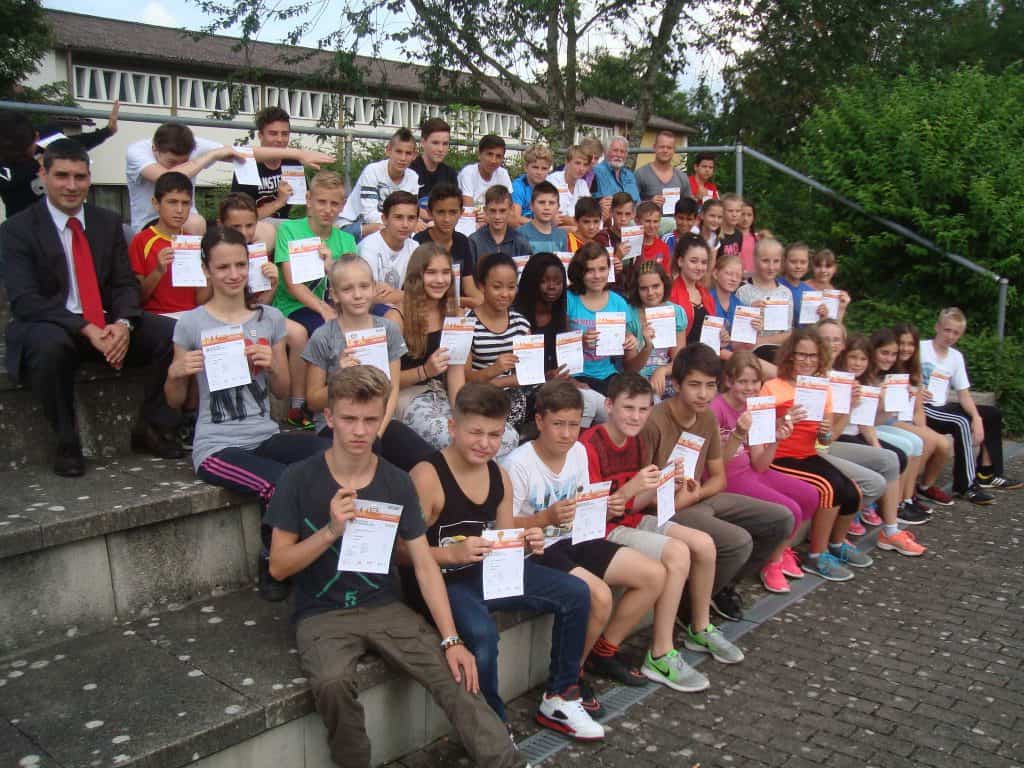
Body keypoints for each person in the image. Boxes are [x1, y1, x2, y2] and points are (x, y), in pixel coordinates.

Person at [265, 366, 527, 768]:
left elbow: (423, 566)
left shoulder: (396, 481)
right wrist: (332, 530)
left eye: (371, 420)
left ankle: (505, 761)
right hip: (322, 611)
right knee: (333, 684)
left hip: (386, 605)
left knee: (456, 671)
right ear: (330, 417)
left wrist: (452, 640)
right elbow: (279, 568)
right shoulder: (299, 478)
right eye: (350, 419)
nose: (359, 431)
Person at [410, 382, 603, 741]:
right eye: (475, 432)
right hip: (443, 580)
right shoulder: (427, 476)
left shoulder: (498, 475)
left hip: (488, 572)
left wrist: (526, 542)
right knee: (482, 636)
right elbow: (401, 553)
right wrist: (449, 554)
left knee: (577, 593)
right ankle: (493, 728)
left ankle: (560, 695)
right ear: (453, 428)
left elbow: (504, 539)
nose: (485, 443)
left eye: (495, 434)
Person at [165, 225, 329, 600]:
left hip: (264, 433)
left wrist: (272, 364)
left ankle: (321, 551)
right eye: (223, 267)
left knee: (326, 456)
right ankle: (274, 561)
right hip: (218, 445)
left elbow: (283, 391)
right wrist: (176, 374)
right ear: (207, 270)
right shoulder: (192, 323)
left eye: (240, 264)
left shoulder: (269, 319)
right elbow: (175, 401)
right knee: (279, 481)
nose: (234, 274)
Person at [2, 139, 182, 477]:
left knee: (171, 333)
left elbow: (125, 284)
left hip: (106, 323)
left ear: (89, 177)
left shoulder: (107, 222)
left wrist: (123, 325)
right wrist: (85, 327)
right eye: (62, 176)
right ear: (44, 174)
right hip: (56, 325)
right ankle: (67, 441)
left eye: (80, 177)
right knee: (48, 345)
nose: (72, 186)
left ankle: (154, 426)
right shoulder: (17, 229)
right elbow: (26, 300)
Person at [504, 381, 665, 708]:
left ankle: (601, 653)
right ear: (539, 422)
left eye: (574, 425)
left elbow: (586, 505)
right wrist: (543, 518)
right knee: (599, 595)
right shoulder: (518, 464)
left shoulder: (578, 452)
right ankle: (569, 677)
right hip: (535, 549)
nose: (566, 434)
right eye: (558, 425)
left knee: (653, 575)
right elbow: (502, 528)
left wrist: (610, 505)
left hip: (574, 537)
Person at [582, 373, 741, 678]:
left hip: (632, 518)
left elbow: (640, 502)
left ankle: (699, 627)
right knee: (678, 553)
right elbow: (592, 515)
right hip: (604, 529)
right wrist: (632, 489)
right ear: (609, 405)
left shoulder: (639, 441)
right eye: (629, 408)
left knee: (704, 544)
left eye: (644, 410)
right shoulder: (589, 445)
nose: (637, 416)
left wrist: (669, 482)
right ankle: (661, 651)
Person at [640, 343, 792, 620]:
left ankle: (719, 588)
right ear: (676, 384)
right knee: (738, 541)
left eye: (710, 386)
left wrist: (695, 494)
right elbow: (640, 491)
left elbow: (719, 477)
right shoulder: (655, 422)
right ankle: (689, 611)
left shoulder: (707, 416)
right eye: (695, 385)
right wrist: (677, 499)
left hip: (697, 496)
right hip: (663, 507)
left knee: (781, 518)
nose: (703, 394)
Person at [760, 328, 873, 582]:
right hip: (779, 456)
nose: (807, 361)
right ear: (790, 356)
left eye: (812, 356)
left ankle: (837, 544)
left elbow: (826, 440)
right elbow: (758, 432)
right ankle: (815, 555)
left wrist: (825, 431)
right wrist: (785, 419)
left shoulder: (822, 389)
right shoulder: (772, 387)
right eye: (801, 355)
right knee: (829, 487)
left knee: (853, 489)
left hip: (807, 454)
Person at [711, 352, 820, 592]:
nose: (749, 388)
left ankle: (782, 552)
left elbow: (760, 464)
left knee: (810, 495)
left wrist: (776, 439)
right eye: (743, 381)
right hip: (725, 478)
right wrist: (738, 433)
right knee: (789, 509)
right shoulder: (716, 408)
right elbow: (714, 465)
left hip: (749, 471)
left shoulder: (758, 406)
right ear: (729, 381)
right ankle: (772, 563)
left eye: (754, 382)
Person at [273, 171, 357, 428]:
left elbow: (350, 282)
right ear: (308, 199)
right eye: (321, 202)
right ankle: (301, 404)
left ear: (342, 206)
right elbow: (291, 284)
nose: (327, 209)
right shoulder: (289, 229)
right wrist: (322, 308)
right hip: (293, 305)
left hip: (333, 305)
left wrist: (331, 266)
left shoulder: (346, 239)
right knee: (322, 330)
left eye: (334, 204)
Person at [920, 307, 1021, 501]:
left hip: (942, 406)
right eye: (947, 330)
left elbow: (963, 394)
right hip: (924, 407)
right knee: (960, 422)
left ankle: (987, 473)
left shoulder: (955, 357)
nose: (950, 336)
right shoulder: (921, 349)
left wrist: (977, 418)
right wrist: (913, 387)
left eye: (956, 333)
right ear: (937, 327)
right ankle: (966, 486)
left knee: (991, 414)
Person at [447, 253, 534, 456]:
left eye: (511, 287)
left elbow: (529, 373)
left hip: (515, 392)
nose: (505, 294)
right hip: (480, 395)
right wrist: (495, 370)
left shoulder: (521, 323)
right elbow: (466, 378)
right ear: (481, 286)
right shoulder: (468, 324)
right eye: (497, 287)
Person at [512, 252, 606, 428]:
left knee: (609, 409)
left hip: (557, 384)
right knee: (588, 402)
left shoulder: (560, 315)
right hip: (527, 391)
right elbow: (522, 373)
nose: (552, 287)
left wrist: (569, 379)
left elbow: (564, 363)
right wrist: (548, 377)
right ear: (532, 281)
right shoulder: (518, 319)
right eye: (545, 281)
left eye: (558, 282)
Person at [386, 243, 461, 447]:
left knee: (503, 436)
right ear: (417, 276)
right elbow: (383, 381)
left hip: (441, 394)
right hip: (404, 397)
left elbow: (456, 373)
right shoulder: (396, 318)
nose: (439, 280)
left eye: (445, 272)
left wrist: (460, 414)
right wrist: (424, 371)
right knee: (450, 438)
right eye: (431, 273)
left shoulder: (455, 313)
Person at [229, 105, 336, 242]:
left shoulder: (292, 162)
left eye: (284, 134)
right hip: (257, 226)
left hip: (286, 224)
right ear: (260, 135)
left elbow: (307, 204)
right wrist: (278, 202)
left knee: (333, 227)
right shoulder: (247, 164)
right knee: (271, 231)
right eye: (273, 133)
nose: (280, 139)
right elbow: (239, 218)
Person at [1, 103, 119, 217]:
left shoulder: (40, 151)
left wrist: (107, 131)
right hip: (21, 228)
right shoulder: (9, 172)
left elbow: (73, 143)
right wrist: (39, 163)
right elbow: (11, 179)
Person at [125, 122, 242, 234]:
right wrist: (212, 155)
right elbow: (167, 179)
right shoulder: (137, 151)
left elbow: (241, 153)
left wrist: (259, 152)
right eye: (172, 162)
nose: (179, 167)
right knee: (195, 223)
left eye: (184, 162)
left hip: (188, 216)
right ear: (154, 149)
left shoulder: (195, 144)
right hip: (149, 223)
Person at [891, 321, 955, 507]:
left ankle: (924, 486)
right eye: (901, 343)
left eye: (910, 344)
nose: (906, 348)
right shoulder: (889, 368)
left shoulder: (914, 370)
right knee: (926, 442)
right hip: (891, 420)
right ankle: (905, 497)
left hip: (907, 420)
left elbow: (918, 410)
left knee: (943, 444)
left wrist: (922, 429)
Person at [128, 171, 210, 316]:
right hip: (157, 319)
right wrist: (158, 271)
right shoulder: (141, 241)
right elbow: (136, 298)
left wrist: (208, 278)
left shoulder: (194, 243)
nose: (179, 210)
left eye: (185, 203)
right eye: (172, 202)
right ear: (155, 203)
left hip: (191, 317)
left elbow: (200, 300)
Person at [565, 242, 639, 395]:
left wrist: (630, 340)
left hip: (607, 374)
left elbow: (628, 355)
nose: (597, 276)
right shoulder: (569, 299)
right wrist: (580, 340)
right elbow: (558, 344)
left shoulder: (618, 302)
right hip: (573, 376)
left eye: (602, 269)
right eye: (590, 270)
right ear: (580, 272)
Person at [336, 127, 420, 240]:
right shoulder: (372, 171)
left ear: (414, 156)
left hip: (390, 224)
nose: (403, 158)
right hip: (353, 224)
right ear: (388, 150)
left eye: (408, 153)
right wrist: (398, 224)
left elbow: (409, 211)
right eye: (398, 152)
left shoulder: (413, 177)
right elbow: (369, 214)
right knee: (381, 230)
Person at [625, 260, 686, 400]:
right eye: (644, 288)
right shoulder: (630, 315)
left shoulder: (676, 312)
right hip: (637, 380)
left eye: (655, 286)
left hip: (667, 375)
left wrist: (662, 371)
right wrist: (647, 347)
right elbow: (630, 368)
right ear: (637, 289)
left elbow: (680, 361)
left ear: (664, 284)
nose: (650, 293)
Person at [414, 183, 481, 307]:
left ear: (461, 212)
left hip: (458, 311)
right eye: (440, 212)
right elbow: (414, 291)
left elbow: (470, 289)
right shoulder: (418, 242)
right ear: (429, 213)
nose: (447, 219)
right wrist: (462, 301)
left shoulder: (463, 242)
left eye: (453, 212)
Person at [357, 190, 419, 307]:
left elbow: (421, 290)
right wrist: (409, 295)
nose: (405, 224)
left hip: (397, 305)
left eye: (411, 218)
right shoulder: (369, 247)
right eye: (398, 217)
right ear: (384, 219)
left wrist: (399, 295)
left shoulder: (414, 247)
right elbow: (369, 296)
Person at [736, 237, 793, 360]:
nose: (771, 267)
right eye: (765, 261)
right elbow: (736, 330)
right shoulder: (742, 290)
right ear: (755, 260)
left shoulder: (785, 293)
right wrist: (749, 312)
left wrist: (761, 341)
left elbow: (787, 333)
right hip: (748, 355)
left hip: (776, 353)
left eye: (776, 261)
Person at [668, 234, 717, 346]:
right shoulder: (669, 294)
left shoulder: (706, 294)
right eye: (694, 261)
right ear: (680, 261)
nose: (699, 267)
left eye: (704, 262)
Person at [635, 131, 689, 230]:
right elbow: (632, 206)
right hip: (649, 229)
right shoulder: (640, 174)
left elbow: (688, 208)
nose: (665, 150)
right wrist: (649, 203)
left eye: (669, 148)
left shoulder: (682, 177)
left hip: (675, 230)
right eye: (662, 147)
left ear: (674, 150)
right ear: (654, 147)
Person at [467, 186, 531, 264]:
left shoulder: (520, 242)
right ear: (485, 210)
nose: (497, 216)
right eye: (493, 211)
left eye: (502, 211)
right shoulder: (474, 241)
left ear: (511, 210)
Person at [410, 117, 459, 209]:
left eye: (445, 144)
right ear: (423, 142)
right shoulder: (410, 170)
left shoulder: (450, 174)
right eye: (435, 143)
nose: (441, 149)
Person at [458, 134, 514, 209]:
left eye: (498, 156)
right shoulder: (468, 173)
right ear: (479, 154)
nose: (493, 160)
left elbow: (509, 206)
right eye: (489, 154)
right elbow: (468, 209)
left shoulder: (503, 173)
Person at [518, 181, 569, 254]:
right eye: (541, 202)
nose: (547, 207)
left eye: (551, 203)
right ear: (531, 206)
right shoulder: (520, 234)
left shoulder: (561, 235)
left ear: (558, 207)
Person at [547, 146, 592, 228]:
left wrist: (571, 221)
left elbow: (589, 215)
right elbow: (553, 216)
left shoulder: (583, 185)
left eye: (585, 165)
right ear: (567, 162)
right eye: (577, 163)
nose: (581, 168)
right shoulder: (552, 181)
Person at [591, 136, 640, 210]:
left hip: (632, 218)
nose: (619, 155)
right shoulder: (595, 172)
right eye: (615, 150)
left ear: (626, 155)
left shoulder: (629, 175)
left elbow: (638, 202)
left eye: (622, 152)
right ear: (606, 152)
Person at [779, 242, 823, 325]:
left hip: (804, 336)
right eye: (793, 262)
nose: (798, 266)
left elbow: (812, 325)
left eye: (803, 262)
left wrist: (821, 315)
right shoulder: (774, 286)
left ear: (808, 264)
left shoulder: (810, 292)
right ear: (784, 262)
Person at [511, 144, 554, 224]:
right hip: (521, 229)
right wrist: (539, 225)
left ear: (549, 170)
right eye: (535, 167)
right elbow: (515, 218)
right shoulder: (518, 186)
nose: (539, 172)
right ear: (526, 167)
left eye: (544, 168)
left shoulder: (548, 188)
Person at [806, 248, 850, 321]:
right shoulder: (801, 288)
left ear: (835, 268)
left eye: (828, 266)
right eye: (818, 266)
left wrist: (842, 308)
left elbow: (836, 326)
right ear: (812, 267)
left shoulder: (837, 296)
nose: (823, 270)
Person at [636, 201, 672, 276]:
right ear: (637, 221)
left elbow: (667, 275)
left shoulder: (663, 247)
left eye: (655, 221)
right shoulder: (631, 245)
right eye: (647, 221)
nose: (652, 226)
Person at [717, 194, 744, 260]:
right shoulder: (716, 235)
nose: (734, 214)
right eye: (730, 211)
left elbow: (738, 257)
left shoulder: (739, 234)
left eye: (738, 211)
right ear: (722, 211)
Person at [737, 199, 757, 275]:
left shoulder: (757, 238)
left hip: (754, 280)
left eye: (749, 215)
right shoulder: (730, 237)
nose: (745, 219)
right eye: (742, 214)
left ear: (753, 217)